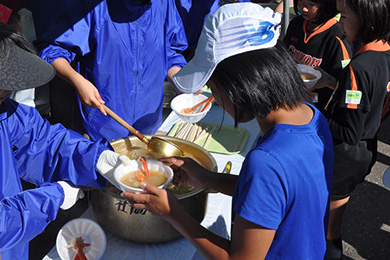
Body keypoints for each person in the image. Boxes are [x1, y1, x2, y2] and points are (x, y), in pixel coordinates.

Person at [121, 3, 334, 259]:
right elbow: (276, 194)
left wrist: (173, 214)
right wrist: (207, 179)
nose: (216, 100)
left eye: (213, 87)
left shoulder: (267, 160)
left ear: (239, 83)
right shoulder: (312, 117)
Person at [0, 23, 131, 260]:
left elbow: (40, 140)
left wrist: (96, 159)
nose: (8, 92)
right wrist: (52, 198)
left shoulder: (4, 111)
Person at [37, 0, 188, 141]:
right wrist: (78, 81)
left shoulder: (163, 3)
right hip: (101, 125)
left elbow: (170, 52)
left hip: (149, 123)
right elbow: (53, 51)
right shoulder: (94, 7)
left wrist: (182, 84)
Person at [313, 0, 390, 259]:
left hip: (345, 156)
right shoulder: (385, 52)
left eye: (344, 16)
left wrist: (315, 109)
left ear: (365, 18)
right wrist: (334, 82)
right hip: (368, 148)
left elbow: (349, 131)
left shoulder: (358, 67)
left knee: (328, 228)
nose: (340, 22)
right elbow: (371, 99)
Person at [283, 0, 352, 117]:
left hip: (319, 108)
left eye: (311, 5)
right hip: (292, 96)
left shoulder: (337, 37)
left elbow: (346, 85)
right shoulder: (296, 23)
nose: (304, 8)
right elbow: (283, 55)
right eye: (300, 2)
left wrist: (329, 81)